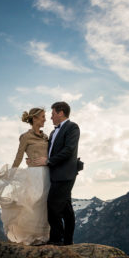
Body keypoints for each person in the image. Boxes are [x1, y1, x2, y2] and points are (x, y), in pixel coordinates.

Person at [0, 107, 51, 245]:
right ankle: (31, 236)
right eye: (43, 116)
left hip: (47, 173)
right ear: (35, 119)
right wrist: (11, 174)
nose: (45, 119)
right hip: (34, 174)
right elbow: (19, 156)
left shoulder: (46, 137)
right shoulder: (25, 137)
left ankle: (43, 236)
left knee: (44, 203)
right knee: (33, 203)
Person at [28, 101, 79, 245]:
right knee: (67, 210)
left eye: (53, 114)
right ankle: (68, 242)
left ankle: (57, 240)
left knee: (52, 207)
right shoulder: (52, 132)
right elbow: (46, 151)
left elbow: (68, 150)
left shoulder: (72, 127)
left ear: (61, 112)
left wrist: (48, 161)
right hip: (55, 174)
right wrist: (33, 159)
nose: (50, 117)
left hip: (65, 175)